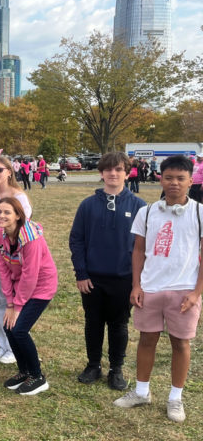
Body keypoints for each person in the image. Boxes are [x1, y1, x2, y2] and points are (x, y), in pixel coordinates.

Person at [113, 155, 203, 423]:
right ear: (160, 179)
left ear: (190, 181)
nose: (174, 183)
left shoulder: (199, 212)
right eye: (168, 177)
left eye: (180, 178)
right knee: (146, 340)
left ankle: (175, 398)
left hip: (184, 290)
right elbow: (138, 250)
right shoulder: (147, 211)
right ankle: (142, 392)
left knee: (181, 343)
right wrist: (137, 285)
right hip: (150, 288)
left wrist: (197, 292)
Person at [70, 152, 146, 390]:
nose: (113, 173)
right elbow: (77, 240)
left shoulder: (139, 206)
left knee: (119, 324)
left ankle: (116, 368)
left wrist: (137, 282)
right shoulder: (88, 205)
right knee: (93, 321)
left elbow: (143, 247)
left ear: (127, 172)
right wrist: (81, 273)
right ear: (101, 173)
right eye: (108, 169)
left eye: (118, 169)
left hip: (123, 278)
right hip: (92, 278)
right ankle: (93, 364)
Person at [0, 197, 58, 395]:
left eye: (7, 212)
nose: (1, 216)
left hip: (41, 286)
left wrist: (17, 306)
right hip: (18, 286)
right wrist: (10, 303)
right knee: (8, 326)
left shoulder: (31, 239)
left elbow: (31, 276)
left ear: (18, 216)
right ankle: (24, 372)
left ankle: (38, 377)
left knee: (19, 330)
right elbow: (3, 270)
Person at [0, 156, 32, 365]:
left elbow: (24, 227)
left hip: (16, 255)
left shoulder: (18, 196)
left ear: (9, 171)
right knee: (1, 301)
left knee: (15, 302)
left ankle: (14, 346)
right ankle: (2, 344)